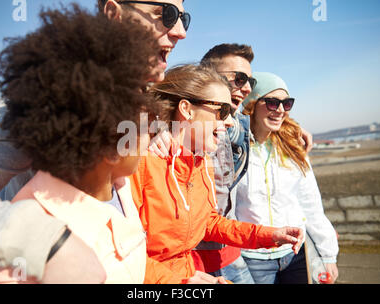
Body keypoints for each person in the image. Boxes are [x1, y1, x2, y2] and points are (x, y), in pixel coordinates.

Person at [0, 0, 188, 283]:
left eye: (184, 17)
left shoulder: (140, 90)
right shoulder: (52, 89)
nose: (180, 31)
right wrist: (47, 245)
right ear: (113, 13)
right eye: (166, 14)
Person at [130, 64, 304, 283]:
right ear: (187, 109)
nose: (230, 121)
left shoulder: (198, 162)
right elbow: (122, 252)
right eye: (222, 111)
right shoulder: (140, 163)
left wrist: (269, 235)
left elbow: (208, 223)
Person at [234, 72, 339, 284]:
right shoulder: (234, 149)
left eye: (287, 103)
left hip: (295, 254)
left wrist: (327, 254)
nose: (281, 109)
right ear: (251, 105)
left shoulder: (293, 148)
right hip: (252, 259)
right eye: (272, 103)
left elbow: (310, 204)